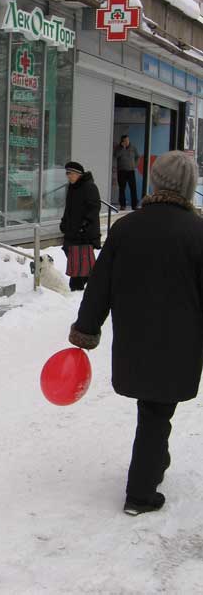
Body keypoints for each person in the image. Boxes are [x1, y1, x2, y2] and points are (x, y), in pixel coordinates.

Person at [68, 151, 203, 516]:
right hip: (181, 343)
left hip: (135, 338)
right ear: (190, 187)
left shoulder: (126, 228)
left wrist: (86, 328)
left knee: (154, 410)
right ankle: (141, 494)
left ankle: (155, 462)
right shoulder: (197, 232)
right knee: (157, 411)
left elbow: (100, 285)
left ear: (155, 181)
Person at [60, 161, 101, 292]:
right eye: (67, 173)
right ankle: (87, 282)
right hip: (72, 231)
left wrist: (85, 225)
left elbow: (94, 208)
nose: (68, 176)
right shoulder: (72, 187)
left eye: (70, 173)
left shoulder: (89, 187)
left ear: (78, 174)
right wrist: (64, 222)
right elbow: (69, 209)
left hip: (84, 233)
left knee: (80, 261)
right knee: (72, 255)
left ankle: (80, 287)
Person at [113, 135, 139, 210]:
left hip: (131, 171)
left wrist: (135, 165)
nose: (127, 142)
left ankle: (134, 205)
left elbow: (137, 156)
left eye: (128, 140)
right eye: (125, 140)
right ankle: (122, 205)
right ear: (122, 141)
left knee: (133, 189)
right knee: (122, 189)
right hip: (122, 171)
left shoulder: (133, 147)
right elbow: (116, 156)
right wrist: (122, 148)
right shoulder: (118, 148)